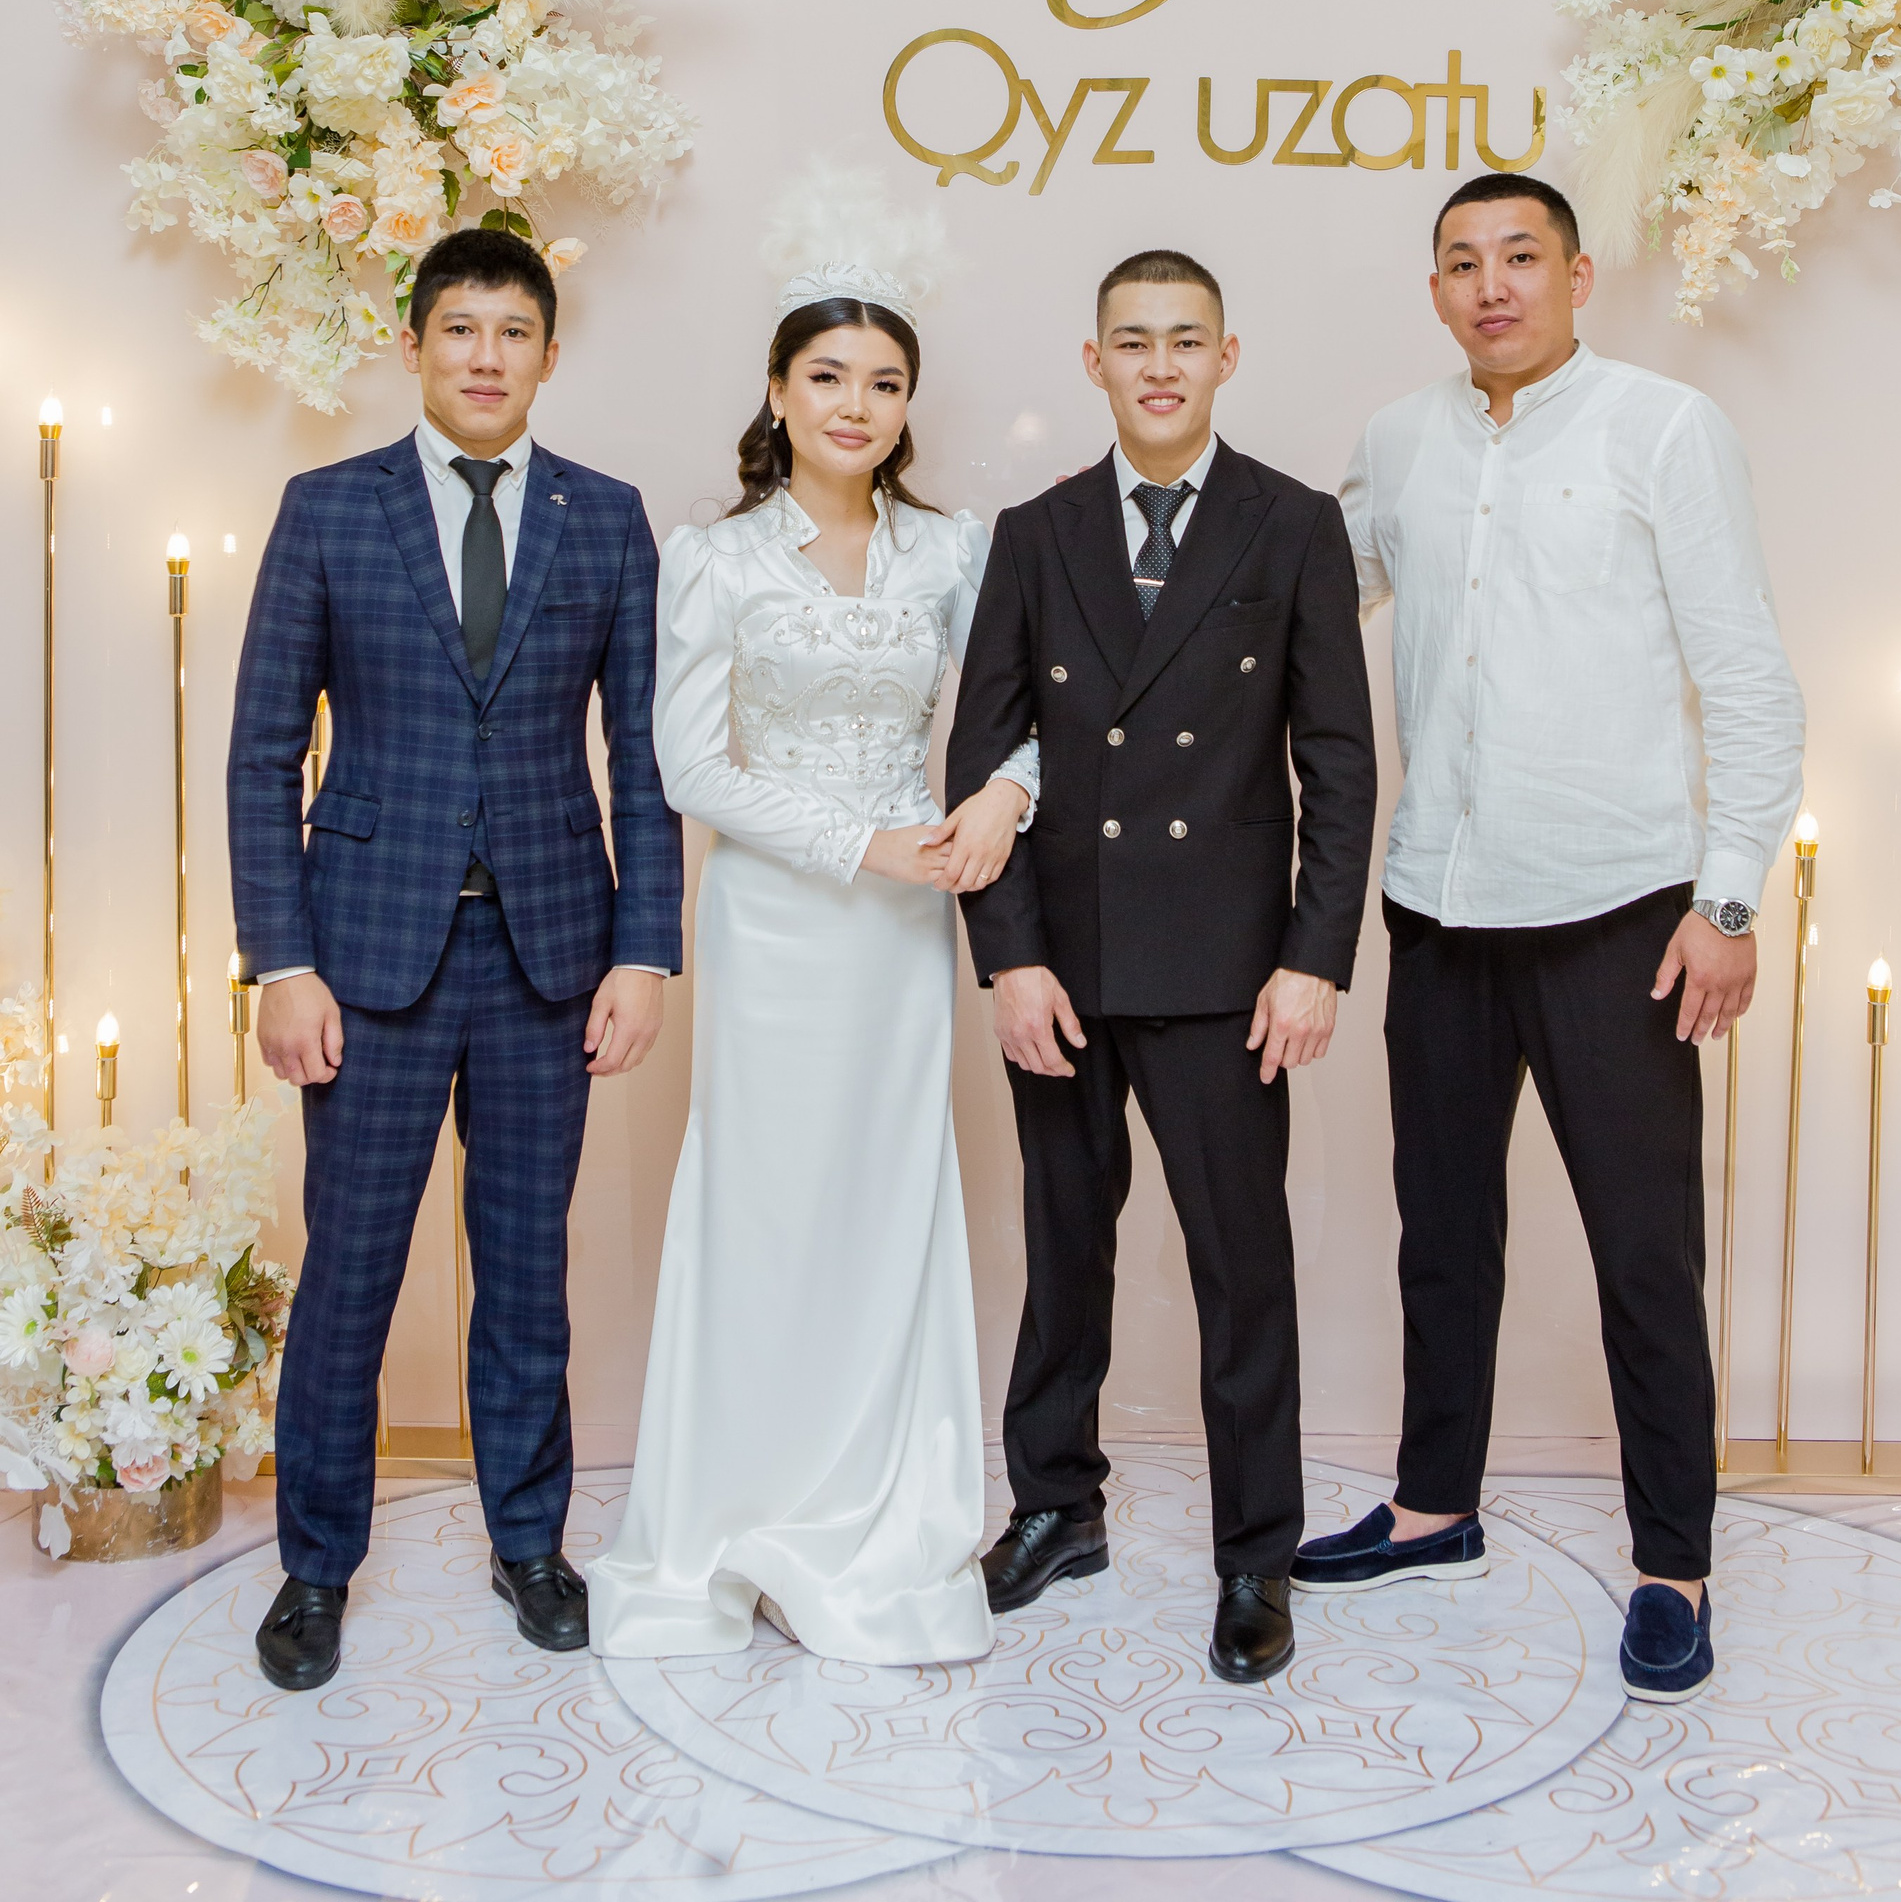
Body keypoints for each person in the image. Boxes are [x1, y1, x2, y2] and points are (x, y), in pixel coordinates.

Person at [1297, 174, 1803, 1705]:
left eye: (1521, 256)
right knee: (1441, 1234)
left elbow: (1747, 674)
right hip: (1439, 902)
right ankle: (1432, 1506)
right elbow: (1308, 604)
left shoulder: (1665, 427)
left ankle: (1674, 1566)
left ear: (1578, 276)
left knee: (1644, 1253)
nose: (1493, 283)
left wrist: (1727, 900)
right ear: (1435, 291)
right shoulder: (1398, 440)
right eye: (1463, 262)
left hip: (1621, 913)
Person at [587, 188, 1038, 1666]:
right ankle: (739, 1502)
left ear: (909, 408)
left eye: (885, 383)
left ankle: (878, 1507)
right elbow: (685, 765)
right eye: (829, 375)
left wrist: (1002, 799)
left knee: (885, 1199)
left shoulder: (954, 552)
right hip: (778, 923)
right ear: (778, 391)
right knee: (766, 1202)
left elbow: (1034, 712)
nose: (857, 404)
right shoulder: (712, 558)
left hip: (906, 933)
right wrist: (861, 842)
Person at [230, 228, 682, 1694]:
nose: (486, 357)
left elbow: (644, 758)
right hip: (364, 954)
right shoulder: (327, 509)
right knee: (349, 1273)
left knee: (528, 1274)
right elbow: (261, 753)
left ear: (549, 352)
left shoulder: (607, 519)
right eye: (460, 330)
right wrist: (279, 962)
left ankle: (529, 1543)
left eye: (513, 332)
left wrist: (645, 951)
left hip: (550, 955)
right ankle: (316, 1567)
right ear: (414, 344)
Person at [946, 248, 1376, 1686]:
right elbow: (985, 753)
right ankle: (1056, 1507)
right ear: (1095, 363)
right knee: (1064, 1251)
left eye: (1186, 340)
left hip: (1225, 968)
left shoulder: (1293, 523)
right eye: (1132, 341)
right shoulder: (1037, 531)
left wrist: (1314, 959)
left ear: (1226, 356)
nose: (1160, 366)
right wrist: (1009, 959)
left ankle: (1256, 1554)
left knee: (1240, 1267)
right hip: (1065, 963)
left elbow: (1337, 763)